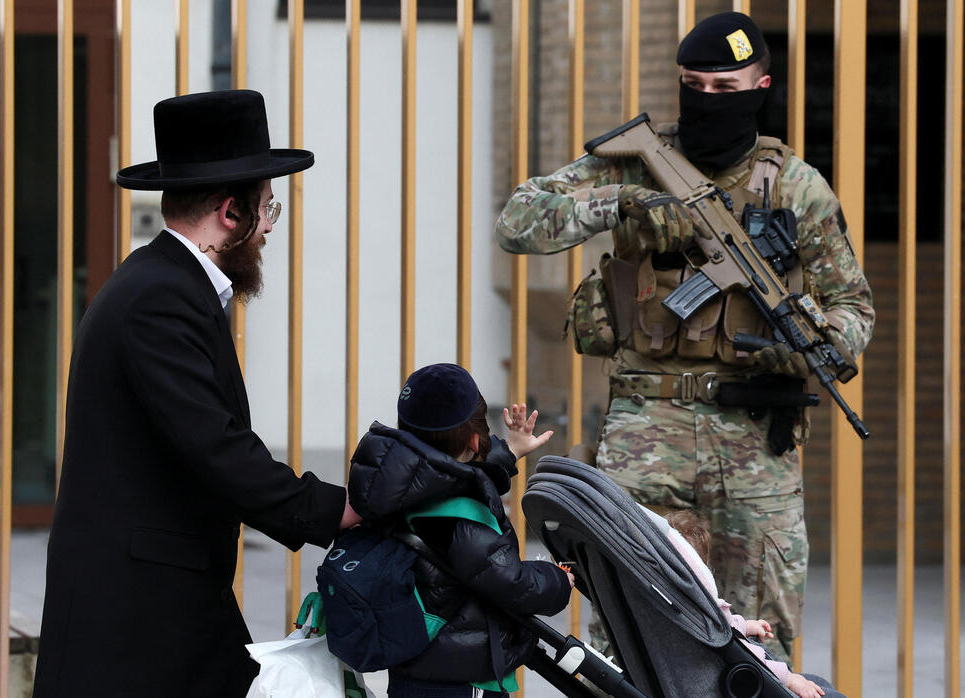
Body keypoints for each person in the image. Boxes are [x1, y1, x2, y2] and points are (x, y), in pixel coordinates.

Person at [495, 11, 874, 663]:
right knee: (627, 629)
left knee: (762, 643)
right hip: (646, 428)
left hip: (755, 438)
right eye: (693, 85)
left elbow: (854, 308)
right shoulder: (636, 164)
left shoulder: (794, 187)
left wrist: (817, 343)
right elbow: (519, 220)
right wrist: (620, 204)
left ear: (762, 87)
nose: (706, 101)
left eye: (725, 90)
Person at [34, 90, 361, 697]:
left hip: (167, 601)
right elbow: (216, 447)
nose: (269, 229)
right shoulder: (159, 297)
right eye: (267, 211)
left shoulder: (166, 284)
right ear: (230, 212)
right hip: (134, 619)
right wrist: (337, 511)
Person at [346, 363, 574, 698]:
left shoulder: (399, 485)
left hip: (416, 665)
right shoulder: (462, 516)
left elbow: (455, 473)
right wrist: (556, 580)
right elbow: (508, 581)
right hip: (461, 677)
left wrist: (508, 451)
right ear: (474, 437)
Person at [662, 510, 843, 698]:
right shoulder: (702, 609)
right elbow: (746, 655)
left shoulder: (673, 602)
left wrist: (744, 625)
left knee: (818, 682)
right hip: (743, 680)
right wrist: (788, 679)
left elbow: (724, 627)